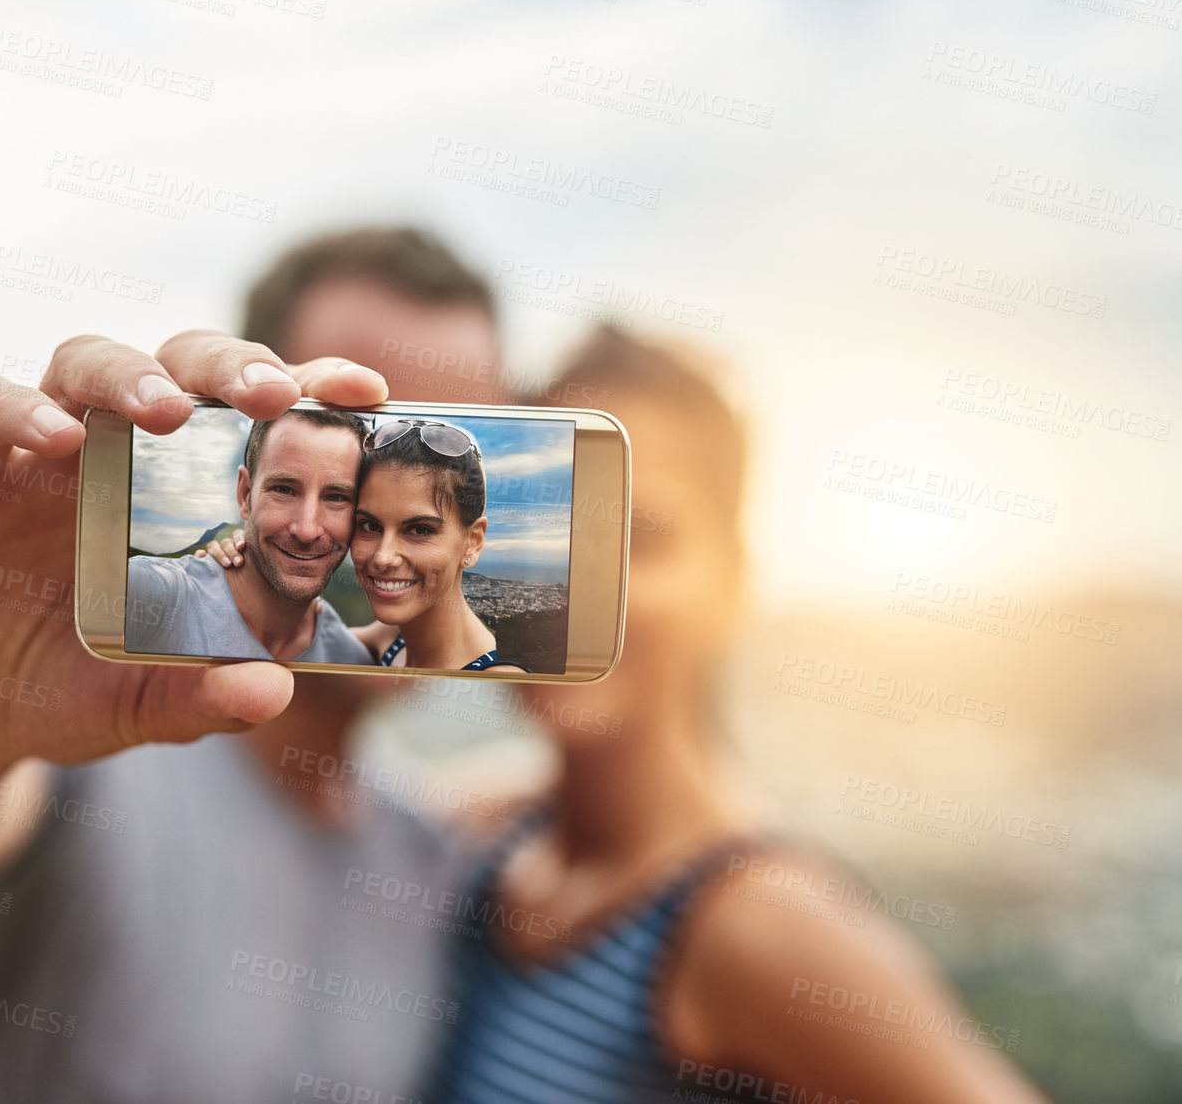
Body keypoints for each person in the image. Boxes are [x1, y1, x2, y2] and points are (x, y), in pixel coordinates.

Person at [0, 228, 512, 1101]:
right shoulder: (77, 731)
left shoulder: (422, 855)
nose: (388, 511)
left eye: (435, 453)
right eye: (354, 444)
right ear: (248, 464)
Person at [424, 325, 1049, 1104]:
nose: (574, 587)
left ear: (731, 585)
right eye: (538, 529)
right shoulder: (479, 831)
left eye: (641, 536)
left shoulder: (758, 922)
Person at [202, 416, 529, 673]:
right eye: (370, 525)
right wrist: (247, 563)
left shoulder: (498, 682)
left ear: (473, 542)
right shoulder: (389, 641)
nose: (383, 557)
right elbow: (297, 642)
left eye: (418, 530)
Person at [125, 407, 371, 663]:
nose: (307, 531)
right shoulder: (147, 594)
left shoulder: (350, 659)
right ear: (245, 495)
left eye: (336, 498)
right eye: (284, 490)